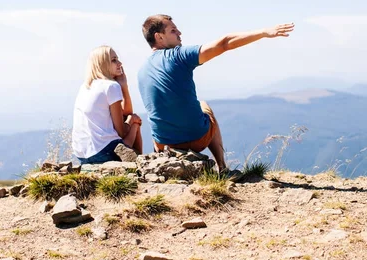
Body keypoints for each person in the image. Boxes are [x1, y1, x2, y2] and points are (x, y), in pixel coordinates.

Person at [137, 15, 294, 173]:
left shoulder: (142, 70)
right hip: (196, 138)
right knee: (204, 106)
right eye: (173, 30)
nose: (179, 32)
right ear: (159, 37)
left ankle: (160, 157)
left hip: (165, 144)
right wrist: (263, 32)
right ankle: (222, 167)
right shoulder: (179, 56)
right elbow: (224, 43)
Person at [72, 45, 143, 164]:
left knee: (128, 118)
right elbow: (122, 131)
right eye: (114, 60)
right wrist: (131, 121)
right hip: (104, 153)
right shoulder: (110, 86)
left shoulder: (85, 86)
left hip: (81, 155)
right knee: (135, 122)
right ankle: (138, 164)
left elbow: (125, 112)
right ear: (102, 64)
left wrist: (123, 86)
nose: (120, 63)